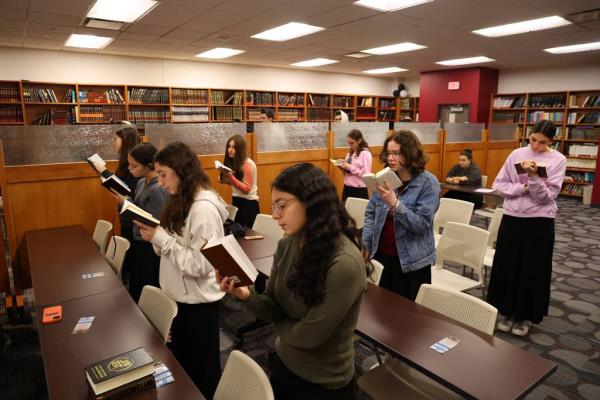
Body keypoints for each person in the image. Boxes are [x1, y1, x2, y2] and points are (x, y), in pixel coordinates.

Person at [218, 163, 366, 400]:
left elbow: (308, 336)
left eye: (282, 205)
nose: (275, 214)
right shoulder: (288, 244)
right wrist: (246, 295)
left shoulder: (344, 262)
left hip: (324, 384)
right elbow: (273, 307)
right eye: (274, 205)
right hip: (284, 364)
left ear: (312, 203)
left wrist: (278, 325)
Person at [135, 141, 228, 398]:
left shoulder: (203, 209)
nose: (160, 182)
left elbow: (199, 265)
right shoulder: (181, 199)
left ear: (181, 170)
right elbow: (173, 244)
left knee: (202, 375)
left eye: (163, 174)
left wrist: (160, 239)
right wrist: (155, 237)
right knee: (185, 370)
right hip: (180, 299)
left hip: (197, 305)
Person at [487, 120, 566, 336]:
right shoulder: (517, 154)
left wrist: (533, 177)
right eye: (533, 140)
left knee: (532, 268)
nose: (536, 146)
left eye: (542, 143)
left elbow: (546, 197)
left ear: (552, 142)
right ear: (529, 135)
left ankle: (525, 316)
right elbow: (499, 185)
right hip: (512, 217)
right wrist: (522, 187)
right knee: (507, 264)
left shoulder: (558, 160)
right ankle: (505, 310)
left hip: (539, 221)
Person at [362, 130, 440, 301]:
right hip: (382, 255)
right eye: (389, 153)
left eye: (396, 153)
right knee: (381, 310)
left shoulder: (428, 183)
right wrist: (366, 245)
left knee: (407, 319)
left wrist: (395, 204)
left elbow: (420, 225)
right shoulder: (385, 177)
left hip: (412, 263)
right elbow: (370, 214)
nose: (390, 158)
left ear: (410, 153)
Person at [113, 143, 169, 302]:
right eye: (129, 164)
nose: (130, 169)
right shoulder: (141, 182)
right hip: (138, 238)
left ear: (149, 165)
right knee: (137, 281)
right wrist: (126, 201)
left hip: (150, 244)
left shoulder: (158, 187)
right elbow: (138, 207)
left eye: (134, 166)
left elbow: (155, 221)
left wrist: (125, 204)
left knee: (148, 282)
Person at [92, 125, 141, 280]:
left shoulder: (135, 165)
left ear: (125, 140)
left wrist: (104, 173)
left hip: (133, 220)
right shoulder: (125, 162)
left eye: (115, 138)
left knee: (133, 261)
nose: (113, 142)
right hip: (125, 215)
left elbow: (127, 190)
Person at [219, 134, 260, 228]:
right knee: (237, 234)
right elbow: (237, 183)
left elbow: (247, 189)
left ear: (240, 149)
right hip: (237, 201)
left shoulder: (247, 164)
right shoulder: (235, 162)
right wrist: (224, 179)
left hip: (248, 205)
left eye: (234, 147)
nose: (230, 149)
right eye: (229, 146)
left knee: (247, 237)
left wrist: (230, 178)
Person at [340, 129, 372, 202]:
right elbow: (349, 170)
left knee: (358, 212)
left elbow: (366, 174)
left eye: (352, 143)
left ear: (359, 140)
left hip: (358, 190)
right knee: (345, 212)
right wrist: (343, 169)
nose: (350, 145)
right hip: (347, 187)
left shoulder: (365, 153)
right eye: (349, 143)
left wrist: (350, 167)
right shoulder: (351, 152)